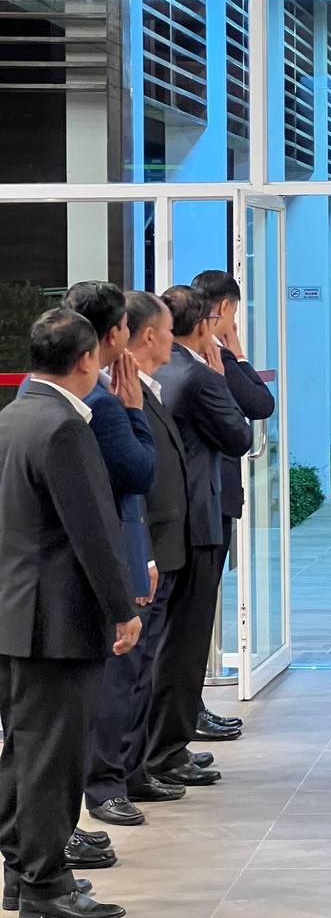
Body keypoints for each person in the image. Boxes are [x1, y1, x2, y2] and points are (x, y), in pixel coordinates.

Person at [0, 309, 140, 918]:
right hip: (56, 620)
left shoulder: (12, 417)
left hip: (14, 613)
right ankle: (46, 886)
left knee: (23, 751)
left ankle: (22, 874)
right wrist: (122, 608)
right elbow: (93, 532)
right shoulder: (64, 427)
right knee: (53, 759)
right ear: (86, 359)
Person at [56, 285, 156, 851]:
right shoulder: (102, 402)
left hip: (92, 563)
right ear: (113, 334)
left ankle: (68, 823)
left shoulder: (47, 400)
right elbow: (137, 474)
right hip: (90, 570)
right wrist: (136, 413)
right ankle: (87, 803)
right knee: (92, 697)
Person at [145, 287, 251, 789]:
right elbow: (240, 435)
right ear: (206, 324)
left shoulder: (159, 373)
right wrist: (222, 376)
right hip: (199, 518)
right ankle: (168, 751)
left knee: (167, 639)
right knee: (185, 642)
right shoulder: (197, 375)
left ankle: (160, 747)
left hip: (168, 520)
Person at [190, 270, 276, 742]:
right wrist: (238, 350)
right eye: (234, 313)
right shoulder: (213, 359)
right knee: (194, 613)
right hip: (210, 497)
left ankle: (187, 708)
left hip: (201, 497)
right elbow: (260, 405)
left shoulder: (185, 359)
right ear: (224, 309)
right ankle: (187, 710)